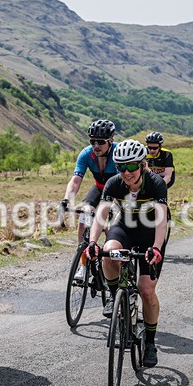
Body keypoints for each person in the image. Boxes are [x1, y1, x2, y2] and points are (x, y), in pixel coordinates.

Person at [85, 139, 167, 368]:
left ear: (141, 165)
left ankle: (150, 342)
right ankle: (116, 295)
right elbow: (102, 214)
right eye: (121, 167)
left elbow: (162, 221)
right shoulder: (114, 183)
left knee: (146, 290)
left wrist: (157, 248)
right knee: (108, 253)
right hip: (125, 228)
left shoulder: (155, 183)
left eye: (131, 166)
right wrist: (92, 242)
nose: (126, 172)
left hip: (151, 235)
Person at [62, 120, 118, 281]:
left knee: (109, 226)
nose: (96, 145)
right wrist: (67, 199)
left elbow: (122, 184)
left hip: (116, 191)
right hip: (99, 188)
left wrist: (113, 207)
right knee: (84, 219)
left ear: (111, 141)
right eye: (92, 141)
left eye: (100, 142)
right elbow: (75, 180)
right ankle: (83, 263)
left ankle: (111, 260)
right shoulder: (86, 154)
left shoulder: (117, 153)